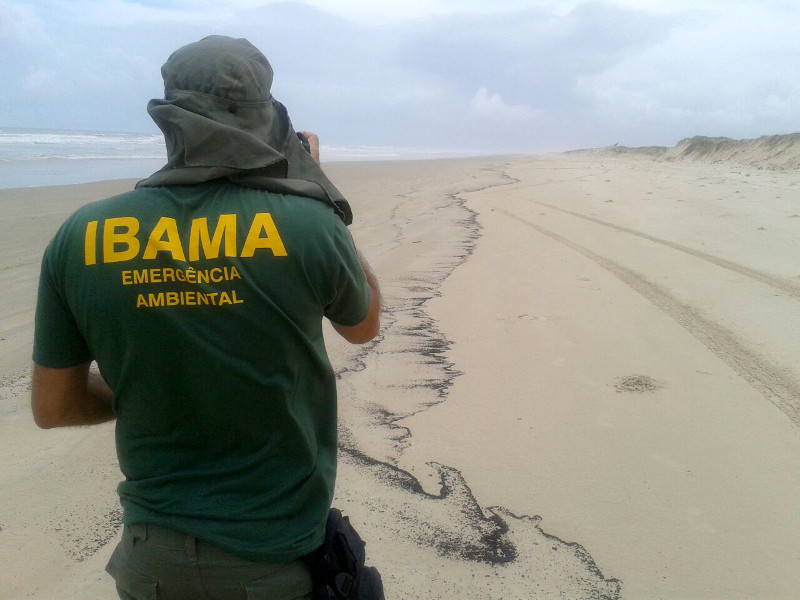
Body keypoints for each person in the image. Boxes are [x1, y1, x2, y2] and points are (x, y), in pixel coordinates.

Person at [30, 35, 381, 600]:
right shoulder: (310, 226)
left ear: (168, 120)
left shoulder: (82, 235)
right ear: (268, 121)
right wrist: (316, 188)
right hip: (273, 555)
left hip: (150, 560)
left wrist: (160, 388)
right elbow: (363, 325)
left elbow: (53, 407)